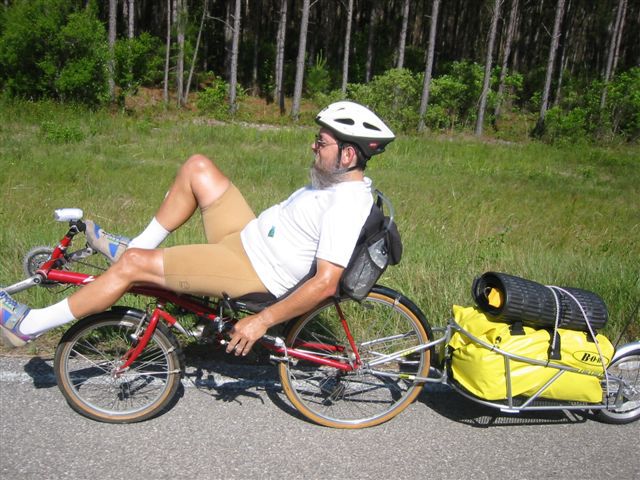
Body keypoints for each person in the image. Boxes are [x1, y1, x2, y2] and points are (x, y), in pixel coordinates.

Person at [1, 101, 395, 356]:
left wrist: (261, 321)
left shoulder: (347, 205)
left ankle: (28, 326)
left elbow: (326, 283)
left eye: (321, 142)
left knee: (135, 266)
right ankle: (135, 248)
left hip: (251, 270)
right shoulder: (335, 179)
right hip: (244, 237)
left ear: (347, 154)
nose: (313, 147)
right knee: (198, 167)